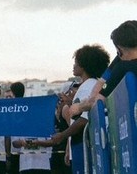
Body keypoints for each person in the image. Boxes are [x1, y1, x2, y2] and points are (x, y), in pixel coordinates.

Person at [37, 44, 110, 174]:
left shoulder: (89, 86)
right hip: (78, 144)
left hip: (84, 144)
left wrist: (62, 135)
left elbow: (84, 120)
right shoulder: (86, 86)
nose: (74, 65)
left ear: (84, 65)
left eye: (76, 62)